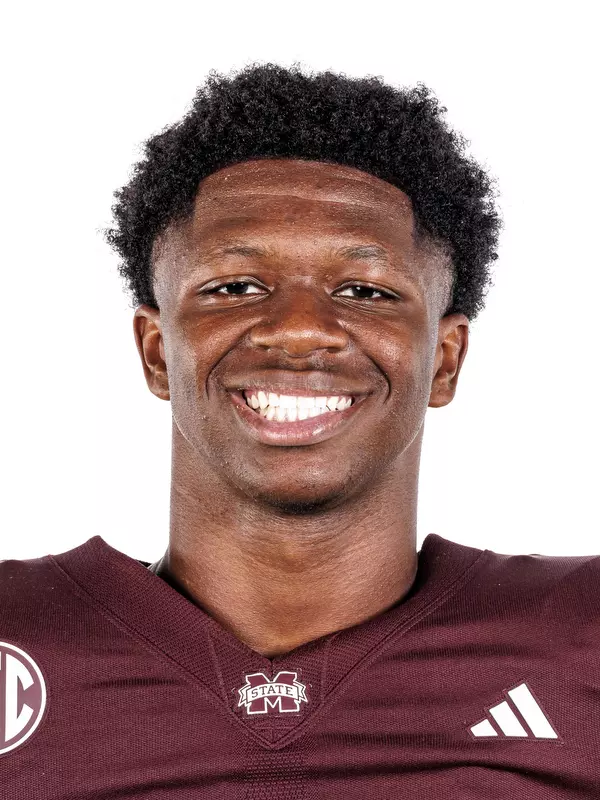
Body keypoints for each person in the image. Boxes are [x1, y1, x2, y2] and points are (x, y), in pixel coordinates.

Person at [1, 62, 597, 799]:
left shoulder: (582, 636)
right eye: (236, 287)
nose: (301, 330)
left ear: (445, 361)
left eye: (365, 291)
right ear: (157, 351)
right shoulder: (16, 636)